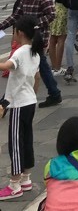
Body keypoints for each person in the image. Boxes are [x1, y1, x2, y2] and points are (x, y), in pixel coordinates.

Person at [0, 0, 62, 109]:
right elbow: (16, 16)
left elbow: (51, 15)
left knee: (25, 68)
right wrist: (2, 26)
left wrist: (34, 25)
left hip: (38, 38)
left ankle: (5, 101)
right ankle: (54, 93)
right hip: (27, 39)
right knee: (41, 66)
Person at [0, 17, 43, 199]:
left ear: (21, 33)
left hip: (19, 105)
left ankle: (14, 184)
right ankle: (25, 178)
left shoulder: (19, 53)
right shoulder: (35, 53)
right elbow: (37, 79)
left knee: (15, 144)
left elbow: (5, 66)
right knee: (26, 140)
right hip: (30, 102)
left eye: (15, 31)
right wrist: (32, 94)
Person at [48, 0, 70, 76]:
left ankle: (54, 66)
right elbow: (67, 0)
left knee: (52, 39)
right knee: (61, 39)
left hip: (55, 9)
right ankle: (57, 67)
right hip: (64, 11)